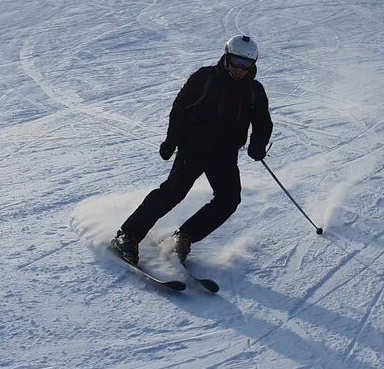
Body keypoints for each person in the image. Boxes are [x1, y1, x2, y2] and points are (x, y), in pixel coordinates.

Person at [111, 35, 273, 265]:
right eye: (236, 62)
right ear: (227, 57)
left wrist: (258, 145)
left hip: (224, 154)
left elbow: (263, 122)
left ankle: (184, 236)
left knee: (228, 200)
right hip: (194, 147)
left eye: (246, 64)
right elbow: (179, 110)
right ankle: (127, 236)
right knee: (173, 192)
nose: (240, 69)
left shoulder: (254, 90)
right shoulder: (205, 78)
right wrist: (171, 141)